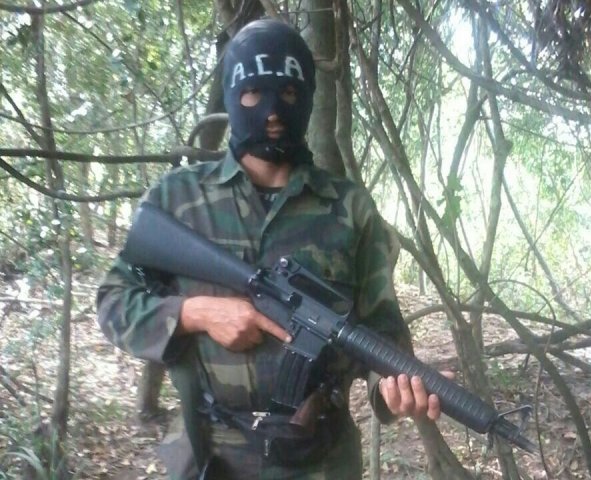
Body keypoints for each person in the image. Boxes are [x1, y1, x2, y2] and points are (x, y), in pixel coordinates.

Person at [97, 18, 444, 479]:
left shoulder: (348, 208)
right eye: (253, 93)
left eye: (289, 93)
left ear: (307, 97)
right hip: (210, 456)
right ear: (230, 94)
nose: (273, 112)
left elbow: (381, 335)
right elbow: (114, 302)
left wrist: (393, 391)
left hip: (320, 461)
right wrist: (194, 313)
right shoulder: (178, 200)